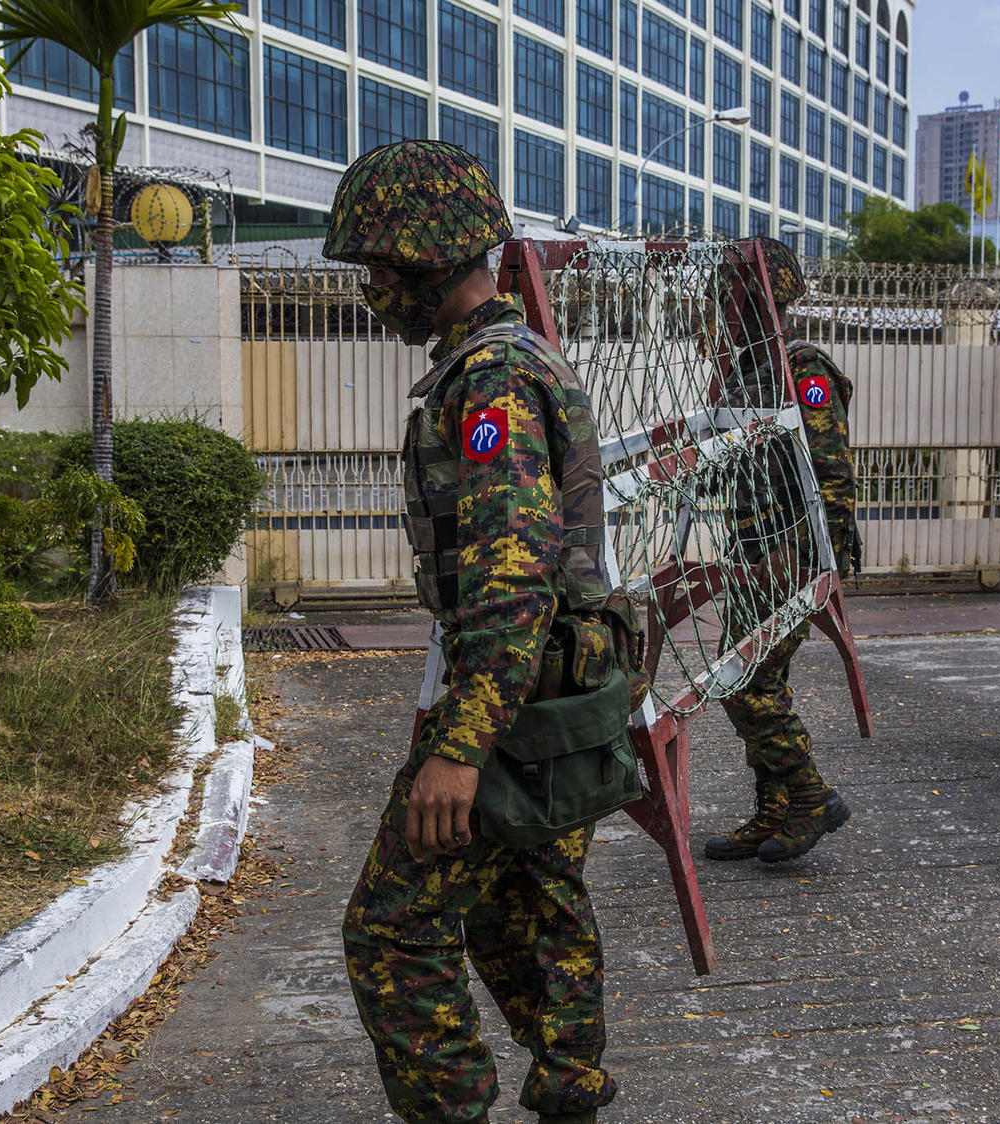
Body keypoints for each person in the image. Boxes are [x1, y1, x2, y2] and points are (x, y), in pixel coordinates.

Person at [326, 140, 617, 1124]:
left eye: (379, 264)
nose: (372, 286)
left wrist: (459, 746)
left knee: (392, 929)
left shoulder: (490, 380)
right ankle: (571, 1079)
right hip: (556, 691)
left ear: (432, 253)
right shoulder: (511, 356)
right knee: (527, 890)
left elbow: (513, 574)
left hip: (517, 701)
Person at [705, 237, 857, 864]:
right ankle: (775, 811)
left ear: (772, 297)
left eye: (737, 294)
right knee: (760, 679)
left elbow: (833, 475)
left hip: (788, 552)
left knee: (744, 679)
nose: (724, 305)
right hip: (750, 549)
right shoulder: (743, 371)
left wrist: (813, 560)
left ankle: (810, 794)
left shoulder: (803, 366)